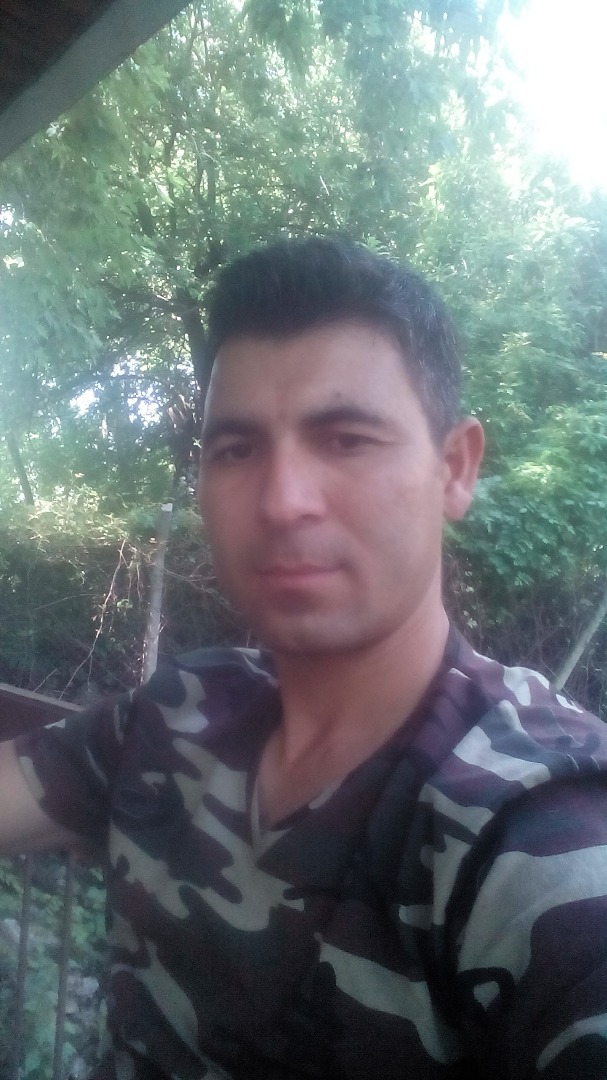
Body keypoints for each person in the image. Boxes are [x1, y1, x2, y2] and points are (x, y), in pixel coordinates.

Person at [1, 235, 607, 1079]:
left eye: (347, 439)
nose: (283, 501)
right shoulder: (179, 714)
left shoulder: (537, 836)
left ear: (455, 468)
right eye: (237, 449)